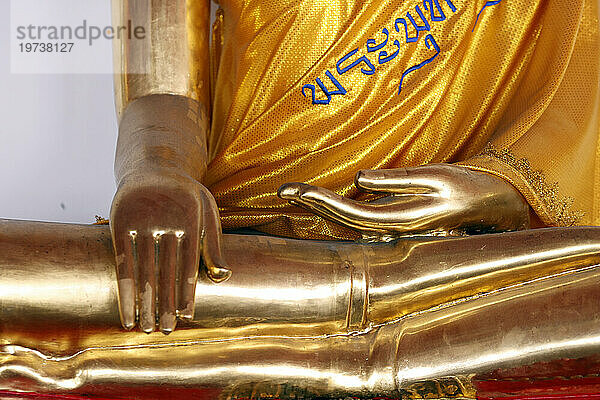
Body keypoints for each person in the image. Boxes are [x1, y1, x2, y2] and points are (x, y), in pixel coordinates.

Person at [110, 0, 600, 333]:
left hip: (466, 254)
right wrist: (158, 174)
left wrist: (504, 190)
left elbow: (579, 77)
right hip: (246, 249)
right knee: (44, 279)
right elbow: (162, 90)